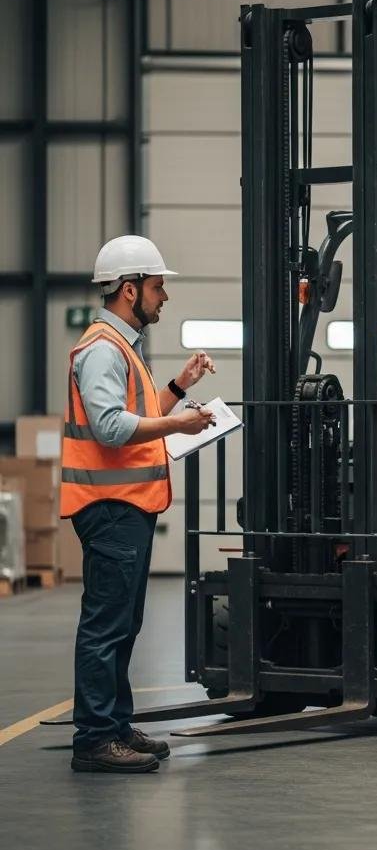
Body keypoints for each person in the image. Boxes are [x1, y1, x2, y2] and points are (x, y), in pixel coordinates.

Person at [61, 235, 216, 774]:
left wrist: (178, 387)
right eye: (157, 287)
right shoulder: (104, 348)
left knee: (124, 623)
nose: (164, 297)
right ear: (129, 290)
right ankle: (95, 740)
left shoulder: (123, 347)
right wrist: (179, 422)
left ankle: (115, 725)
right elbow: (109, 428)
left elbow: (138, 413)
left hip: (126, 505)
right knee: (106, 625)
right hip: (110, 507)